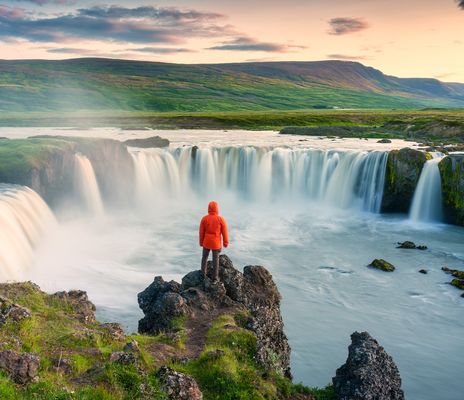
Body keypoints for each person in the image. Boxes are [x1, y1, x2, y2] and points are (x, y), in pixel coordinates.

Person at [199, 201, 229, 281]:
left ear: (208, 208)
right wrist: (225, 242)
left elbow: (201, 232)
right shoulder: (220, 219)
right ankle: (215, 278)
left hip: (206, 242)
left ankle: (202, 274)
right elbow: (224, 231)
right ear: (217, 209)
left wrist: (201, 242)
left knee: (204, 258)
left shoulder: (204, 218)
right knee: (216, 260)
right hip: (216, 244)